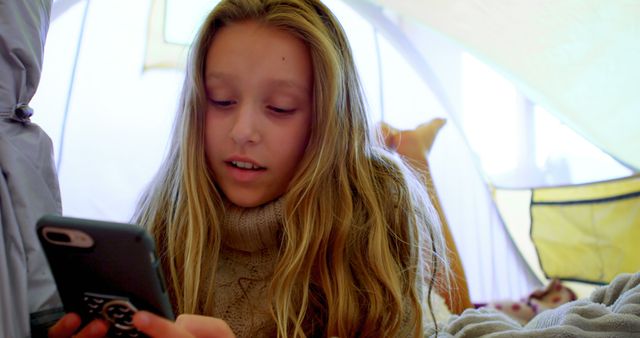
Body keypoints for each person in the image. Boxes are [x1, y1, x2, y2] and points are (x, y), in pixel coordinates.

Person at [48, 0, 452, 337]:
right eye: (221, 101)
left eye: (280, 108)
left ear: (329, 121)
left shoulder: (375, 206)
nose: (242, 132)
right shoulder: (167, 215)